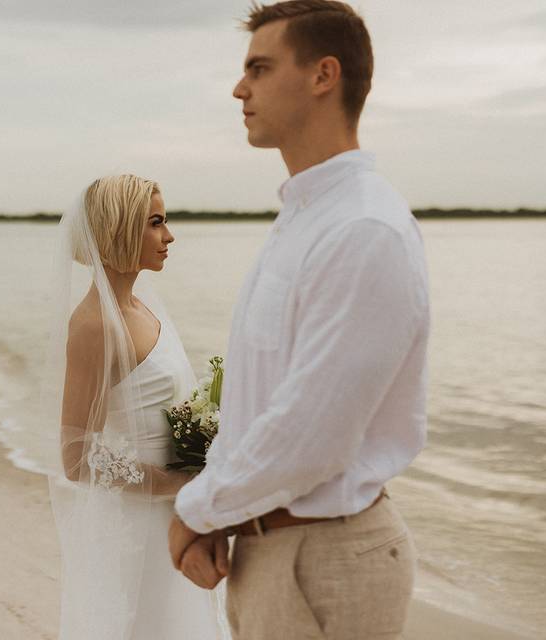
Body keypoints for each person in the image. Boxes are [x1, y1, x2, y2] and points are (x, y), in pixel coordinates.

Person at [168, 1, 431, 639]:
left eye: (259, 68)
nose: (239, 88)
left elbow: (315, 431)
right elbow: (267, 404)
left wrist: (196, 511)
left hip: (326, 555)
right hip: (274, 545)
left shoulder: (362, 227)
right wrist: (224, 514)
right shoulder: (307, 217)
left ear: (323, 75)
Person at [43, 174, 231, 639]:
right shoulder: (93, 326)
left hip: (176, 512)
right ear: (122, 228)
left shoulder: (144, 308)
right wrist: (172, 482)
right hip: (140, 525)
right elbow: (75, 457)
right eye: (156, 223)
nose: (169, 236)